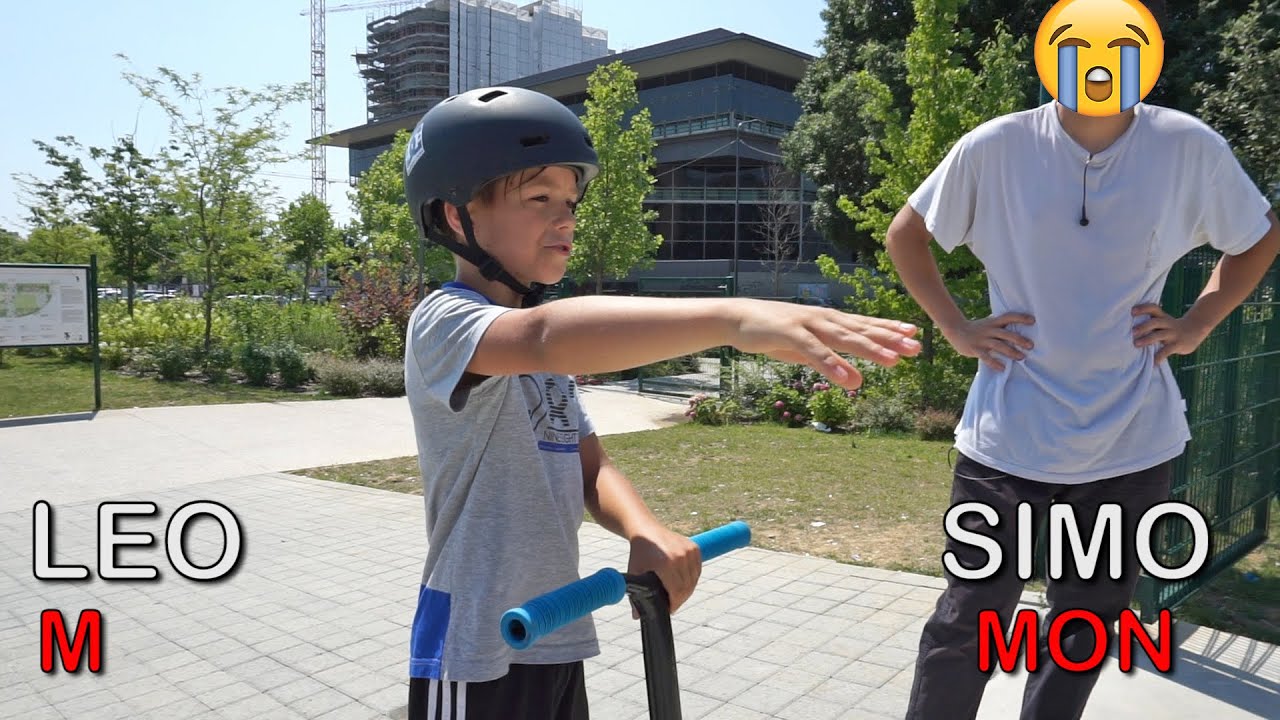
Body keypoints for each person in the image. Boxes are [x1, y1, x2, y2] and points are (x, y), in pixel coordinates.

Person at [399, 85, 923, 720]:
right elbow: (544, 335)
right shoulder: (446, 322)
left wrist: (644, 528)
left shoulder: (542, 355)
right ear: (458, 217)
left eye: (569, 201)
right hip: (473, 642)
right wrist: (733, 318)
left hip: (552, 632)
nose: (565, 219)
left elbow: (589, 465)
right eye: (539, 199)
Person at [891, 2, 1280, 718]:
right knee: (968, 621)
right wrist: (957, 327)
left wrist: (1198, 321)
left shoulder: (1186, 146)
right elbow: (906, 234)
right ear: (1052, 53)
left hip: (1131, 439)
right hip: (1009, 437)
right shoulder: (996, 146)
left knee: (1086, 624)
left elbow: (1258, 235)